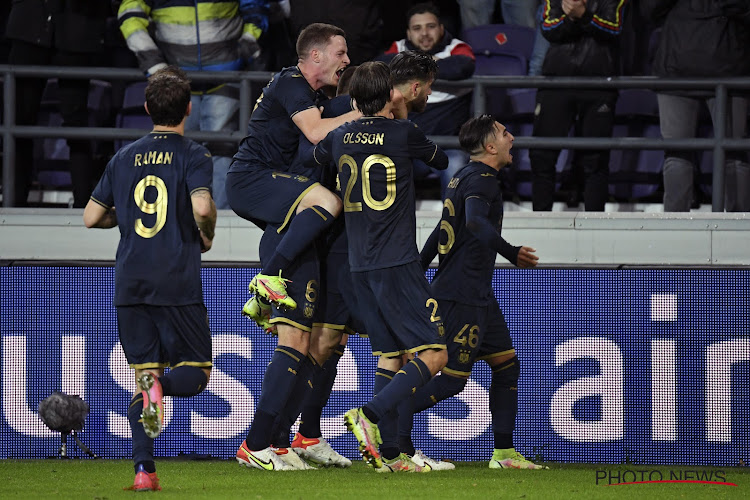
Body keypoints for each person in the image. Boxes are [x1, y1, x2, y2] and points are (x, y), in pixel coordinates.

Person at [229, 22, 361, 472]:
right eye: (340, 52)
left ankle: (289, 440)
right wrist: (365, 115)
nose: (346, 60)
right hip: (250, 180)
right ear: (316, 56)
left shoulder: (321, 98)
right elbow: (317, 133)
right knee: (327, 200)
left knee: (318, 342)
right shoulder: (290, 82)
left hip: (282, 200)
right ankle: (270, 275)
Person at [308, 61, 450, 472]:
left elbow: (317, 156)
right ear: (391, 95)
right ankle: (367, 416)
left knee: (391, 355)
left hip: (358, 264)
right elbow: (439, 161)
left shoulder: (338, 135)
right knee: (435, 354)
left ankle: (388, 454)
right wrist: (401, 115)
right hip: (398, 261)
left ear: (353, 99)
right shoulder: (404, 133)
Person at [83, 66, 217, 491]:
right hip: (176, 279)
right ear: (189, 109)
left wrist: (126, 223)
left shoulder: (122, 157)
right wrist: (206, 235)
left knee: (145, 381)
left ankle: (145, 472)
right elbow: (202, 208)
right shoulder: (194, 154)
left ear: (146, 108)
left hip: (130, 282)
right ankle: (161, 387)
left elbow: (91, 218)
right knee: (195, 375)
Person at [401, 114, 544, 470]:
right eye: (504, 132)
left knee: (507, 367)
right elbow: (476, 222)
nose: (512, 137)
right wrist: (512, 253)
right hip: (462, 293)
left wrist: (418, 269)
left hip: (476, 292)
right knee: (451, 383)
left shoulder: (463, 176)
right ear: (491, 147)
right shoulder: (484, 181)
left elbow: (442, 228)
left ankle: (505, 454)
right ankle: (384, 424)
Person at [118, 0, 270, 210]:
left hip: (227, 74)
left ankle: (223, 224)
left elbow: (255, 5)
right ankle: (178, 220)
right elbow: (130, 14)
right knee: (177, 150)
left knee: (222, 149)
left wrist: (248, 39)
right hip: (176, 80)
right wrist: (154, 65)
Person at [641, 0, 750, 212]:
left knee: (733, 154)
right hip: (677, 72)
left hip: (728, 71)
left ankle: (738, 227)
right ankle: (676, 226)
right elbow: (647, 11)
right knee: (678, 154)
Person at [5, 0, 111, 207]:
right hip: (28, 27)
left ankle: (83, 205)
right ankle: (13, 204)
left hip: (77, 30)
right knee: (19, 122)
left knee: (76, 123)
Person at [529, 0, 628, 211]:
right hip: (556, 83)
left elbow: (614, 28)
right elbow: (548, 29)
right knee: (542, 157)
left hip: (599, 86)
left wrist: (582, 15)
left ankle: (595, 224)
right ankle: (541, 222)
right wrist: (572, 18)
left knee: (596, 160)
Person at [377, 2, 475, 197]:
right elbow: (381, 65)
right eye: (417, 28)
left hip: (449, 147)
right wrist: (427, 63)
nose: (424, 33)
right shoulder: (399, 46)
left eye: (430, 27)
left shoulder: (456, 47)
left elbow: (462, 66)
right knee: (384, 164)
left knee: (456, 165)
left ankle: (452, 224)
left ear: (441, 28)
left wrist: (409, 67)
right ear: (408, 32)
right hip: (409, 147)